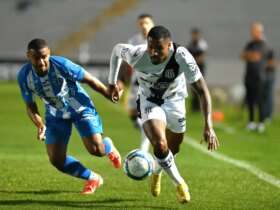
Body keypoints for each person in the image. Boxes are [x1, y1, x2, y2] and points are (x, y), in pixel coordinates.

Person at [108, 26, 219, 203]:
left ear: (169, 46)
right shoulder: (137, 54)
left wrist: (209, 126)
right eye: (150, 46)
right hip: (149, 101)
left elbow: (203, 91)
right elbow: (116, 51)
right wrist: (112, 82)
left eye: (158, 48)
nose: (153, 52)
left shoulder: (182, 57)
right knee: (160, 144)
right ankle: (180, 184)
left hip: (175, 101)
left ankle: (157, 172)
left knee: (173, 149)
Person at [17, 38, 122, 195]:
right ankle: (93, 178)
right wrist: (40, 124)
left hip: (79, 107)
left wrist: (108, 93)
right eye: (36, 58)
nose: (41, 62)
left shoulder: (61, 64)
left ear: (49, 54)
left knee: (96, 150)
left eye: (44, 57)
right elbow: (30, 106)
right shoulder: (24, 76)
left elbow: (89, 79)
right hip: (55, 114)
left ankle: (107, 145)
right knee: (56, 160)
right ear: (28, 56)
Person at [125, 13, 155, 152]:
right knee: (132, 113)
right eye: (141, 23)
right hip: (135, 84)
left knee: (146, 118)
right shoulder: (133, 41)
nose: (144, 26)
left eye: (146, 23)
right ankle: (145, 128)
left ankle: (143, 151)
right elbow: (127, 61)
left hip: (151, 86)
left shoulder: (157, 40)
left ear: (152, 24)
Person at [241, 22, 270, 132]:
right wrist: (249, 55)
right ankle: (251, 122)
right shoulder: (250, 44)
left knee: (260, 101)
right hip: (249, 76)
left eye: (254, 30)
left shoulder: (263, 44)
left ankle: (261, 122)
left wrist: (249, 55)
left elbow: (256, 57)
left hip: (259, 77)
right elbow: (243, 55)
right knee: (250, 100)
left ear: (259, 31)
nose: (252, 32)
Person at [187, 27, 208, 112]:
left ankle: (201, 107)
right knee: (193, 88)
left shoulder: (202, 44)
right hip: (192, 68)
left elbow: (202, 57)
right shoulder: (190, 44)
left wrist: (193, 60)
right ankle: (194, 107)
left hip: (200, 68)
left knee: (200, 87)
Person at [263, 49, 276, 122]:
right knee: (264, 97)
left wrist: (262, 65)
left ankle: (269, 116)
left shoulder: (269, 51)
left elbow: (273, 64)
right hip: (263, 76)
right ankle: (264, 115)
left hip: (269, 76)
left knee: (269, 97)